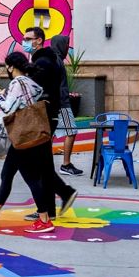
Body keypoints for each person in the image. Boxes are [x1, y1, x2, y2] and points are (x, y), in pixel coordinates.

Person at [0, 52, 69, 235]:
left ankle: (44, 220)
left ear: (11, 67)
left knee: (29, 178)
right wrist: (6, 94)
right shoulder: (30, 82)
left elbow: (8, 107)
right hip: (30, 135)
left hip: (22, 137)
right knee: (7, 174)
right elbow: (32, 97)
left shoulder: (17, 83)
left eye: (6, 67)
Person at [22, 27, 78, 219]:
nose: (24, 42)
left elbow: (37, 89)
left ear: (39, 40)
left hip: (46, 114)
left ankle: (50, 205)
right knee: (43, 163)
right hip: (49, 113)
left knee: (38, 164)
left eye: (28, 38)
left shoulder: (45, 61)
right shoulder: (47, 59)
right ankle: (55, 202)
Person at [50, 34, 84, 176]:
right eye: (66, 44)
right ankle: (66, 164)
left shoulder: (53, 60)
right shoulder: (57, 61)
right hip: (61, 105)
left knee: (49, 134)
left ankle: (44, 164)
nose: (67, 48)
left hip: (56, 104)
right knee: (71, 131)